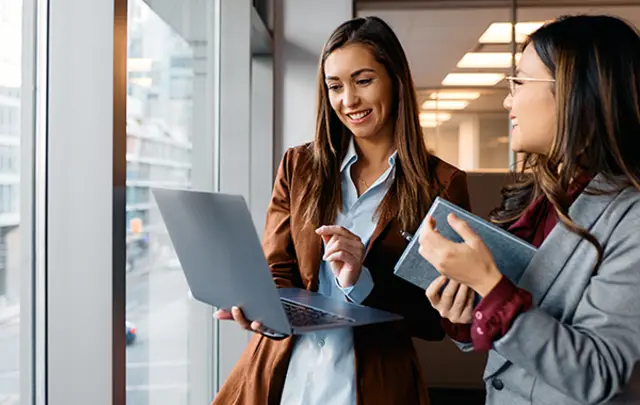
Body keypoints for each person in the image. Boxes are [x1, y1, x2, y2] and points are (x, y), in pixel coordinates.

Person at [211, 16, 471, 405]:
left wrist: (360, 282)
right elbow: (277, 270)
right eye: (335, 86)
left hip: (375, 381)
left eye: (363, 81)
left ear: (396, 80)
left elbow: (435, 319)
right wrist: (264, 311)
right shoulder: (299, 167)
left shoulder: (440, 184)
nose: (348, 100)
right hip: (284, 376)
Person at [418, 14, 640, 405]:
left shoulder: (632, 216)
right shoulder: (543, 196)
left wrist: (490, 287)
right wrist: (469, 312)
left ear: (574, 92)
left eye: (519, 82)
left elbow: (599, 373)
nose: (507, 99)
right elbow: (519, 335)